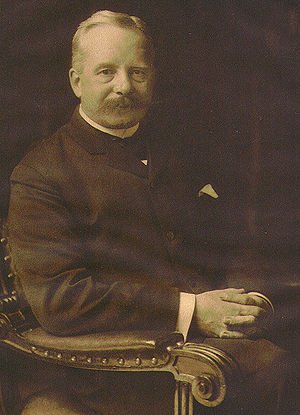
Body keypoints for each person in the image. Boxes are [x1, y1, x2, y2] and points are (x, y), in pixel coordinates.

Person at [6, 10, 297, 415]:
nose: (124, 87)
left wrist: (251, 300)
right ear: (76, 81)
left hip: (211, 353)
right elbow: (61, 300)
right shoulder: (41, 175)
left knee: (286, 366)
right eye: (106, 72)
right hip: (111, 372)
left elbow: (233, 240)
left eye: (138, 73)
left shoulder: (177, 149)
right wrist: (193, 312)